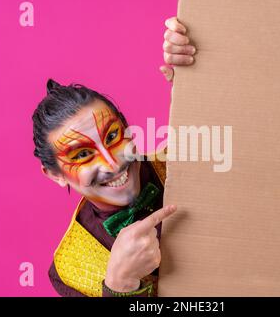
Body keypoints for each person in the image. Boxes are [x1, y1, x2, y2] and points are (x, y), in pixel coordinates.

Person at [31, 17, 196, 297]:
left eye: (112, 137)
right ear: (56, 175)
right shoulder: (70, 269)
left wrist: (200, 78)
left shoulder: (180, 159)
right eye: (83, 154)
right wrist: (119, 286)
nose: (112, 163)